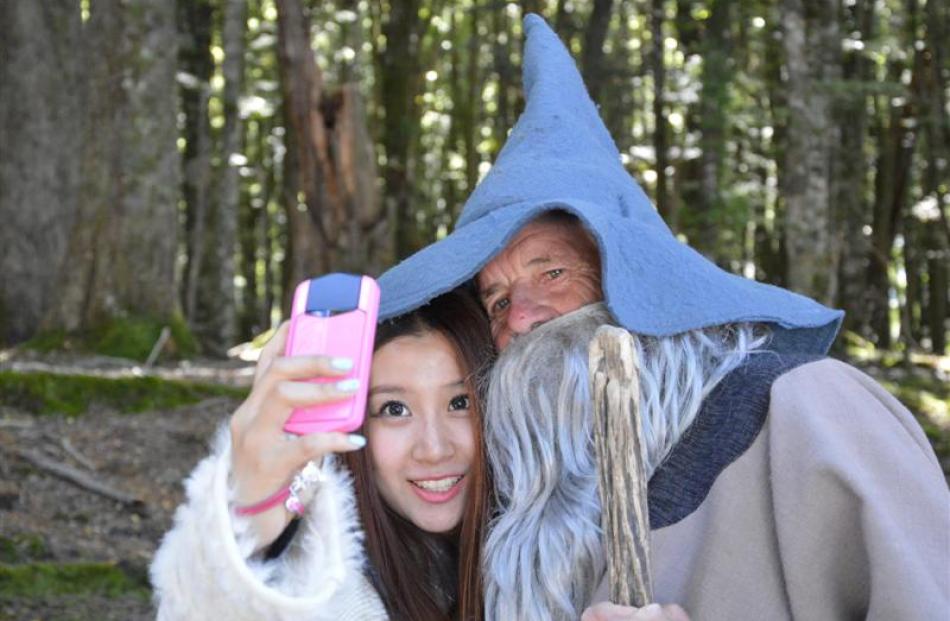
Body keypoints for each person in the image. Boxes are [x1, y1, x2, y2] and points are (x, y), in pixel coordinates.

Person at [375, 14, 950, 621]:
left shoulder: (806, 409)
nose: (521, 316)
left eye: (553, 273)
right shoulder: (507, 526)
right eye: (495, 301)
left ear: (634, 276)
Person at [150, 290, 494, 620]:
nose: (434, 449)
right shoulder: (334, 590)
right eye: (394, 409)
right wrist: (247, 525)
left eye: (460, 403)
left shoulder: (532, 552)